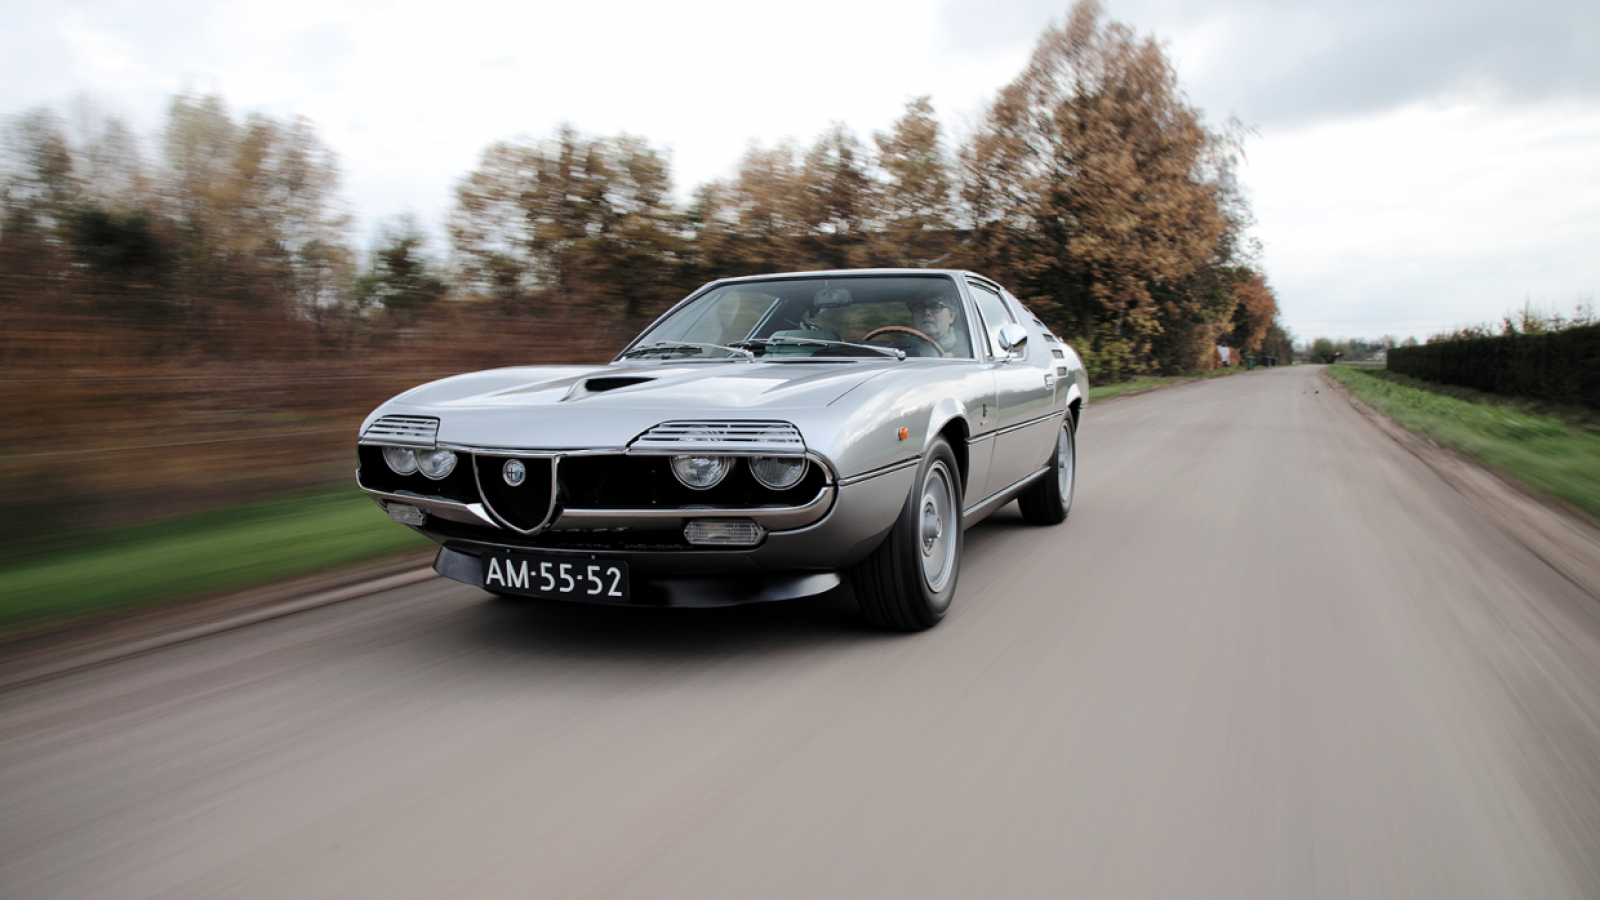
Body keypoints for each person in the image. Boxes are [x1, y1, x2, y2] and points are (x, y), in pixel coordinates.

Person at [906, 290, 968, 357]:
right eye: (920, 307)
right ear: (913, 315)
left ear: (951, 316)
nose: (927, 312)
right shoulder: (900, 351)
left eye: (935, 307)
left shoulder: (967, 353)